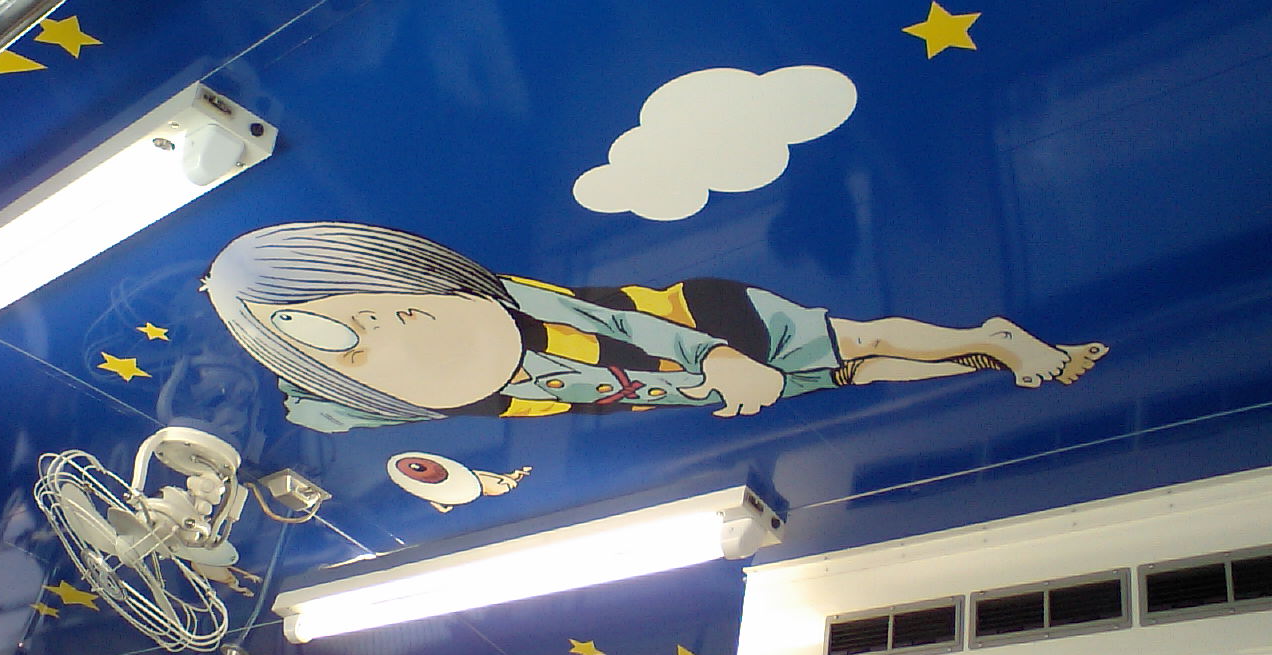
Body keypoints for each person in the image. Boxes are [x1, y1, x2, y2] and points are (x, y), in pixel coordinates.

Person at [203, 222, 1107, 433]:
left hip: (698, 324)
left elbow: (611, 318)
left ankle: (997, 335)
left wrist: (718, 356)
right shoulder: (371, 390)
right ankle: (991, 358)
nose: (371, 327)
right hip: (671, 388)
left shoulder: (505, 301)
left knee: (857, 342)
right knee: (851, 376)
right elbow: (325, 408)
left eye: (382, 302)